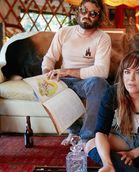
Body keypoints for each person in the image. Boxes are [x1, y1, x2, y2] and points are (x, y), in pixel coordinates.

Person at [42, 0, 111, 145]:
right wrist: (47, 74)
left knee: (99, 83)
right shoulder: (64, 32)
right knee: (43, 87)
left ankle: (86, 138)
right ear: (78, 11)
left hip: (87, 82)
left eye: (93, 13)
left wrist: (65, 71)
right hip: (64, 81)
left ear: (99, 17)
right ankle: (74, 131)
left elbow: (102, 71)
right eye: (84, 10)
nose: (87, 15)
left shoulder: (102, 38)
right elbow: (49, 57)